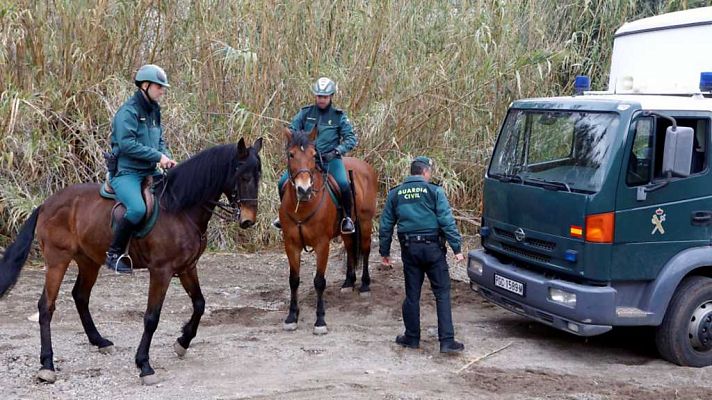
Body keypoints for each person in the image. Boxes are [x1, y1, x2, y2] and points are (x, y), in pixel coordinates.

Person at [379, 156, 465, 353]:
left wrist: (384, 252)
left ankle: (412, 338)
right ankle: (447, 342)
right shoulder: (434, 191)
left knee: (412, 295)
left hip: (410, 250)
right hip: (434, 249)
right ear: (425, 172)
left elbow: (385, 226)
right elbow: (446, 221)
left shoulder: (396, 193)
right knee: (442, 294)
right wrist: (457, 248)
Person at [105, 64, 176, 273]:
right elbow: (127, 145)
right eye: (159, 86)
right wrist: (157, 156)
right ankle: (114, 254)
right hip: (126, 172)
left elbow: (159, 139)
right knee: (137, 209)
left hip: (149, 171)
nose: (162, 90)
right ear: (145, 86)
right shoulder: (127, 112)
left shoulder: (154, 111)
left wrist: (166, 157)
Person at [273, 77, 357, 234]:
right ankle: (283, 214)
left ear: (331, 96)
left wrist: (337, 151)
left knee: (343, 184)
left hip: (330, 159)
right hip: (305, 159)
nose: (321, 100)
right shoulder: (305, 113)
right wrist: (300, 142)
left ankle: (347, 218)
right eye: (319, 96)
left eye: (325, 97)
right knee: (282, 182)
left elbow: (351, 138)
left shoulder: (339, 116)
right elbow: (292, 129)